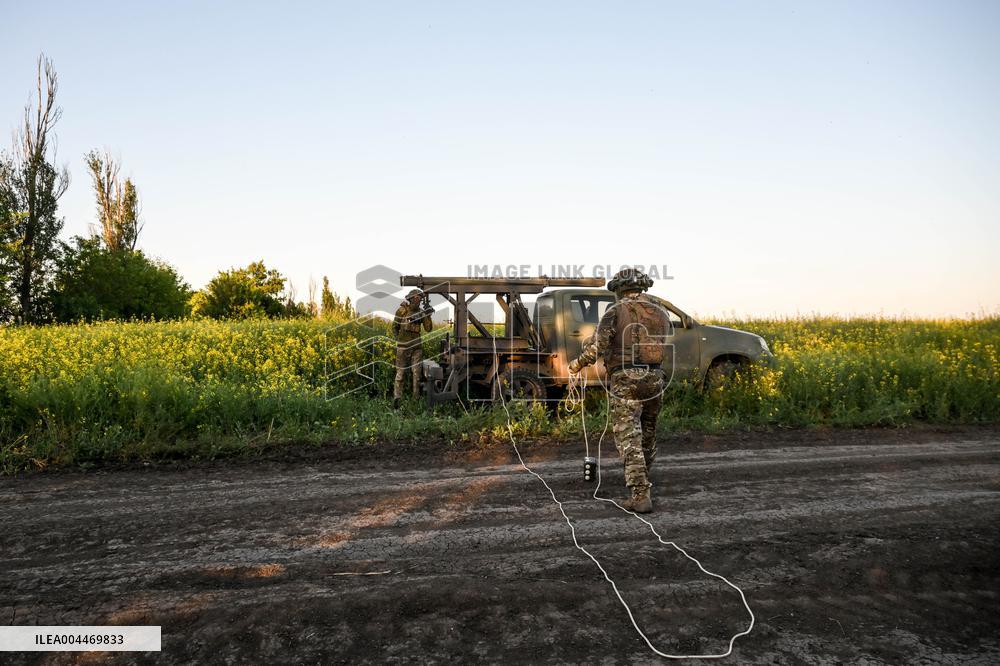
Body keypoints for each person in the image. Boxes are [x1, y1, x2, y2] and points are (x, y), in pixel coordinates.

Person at [568, 269, 669, 513]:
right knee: (648, 433)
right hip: (655, 377)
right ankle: (644, 481)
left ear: (619, 289)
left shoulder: (614, 311)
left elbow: (597, 347)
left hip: (626, 378)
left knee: (629, 437)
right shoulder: (660, 311)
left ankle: (640, 495)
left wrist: (576, 364)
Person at [392, 288, 433, 407]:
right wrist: (398, 340)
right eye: (415, 298)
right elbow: (395, 327)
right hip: (403, 347)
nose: (418, 300)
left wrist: (428, 315)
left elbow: (428, 329)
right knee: (400, 374)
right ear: (410, 299)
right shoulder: (402, 311)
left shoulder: (421, 312)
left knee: (417, 375)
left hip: (416, 348)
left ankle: (415, 401)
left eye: (419, 298)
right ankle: (397, 399)